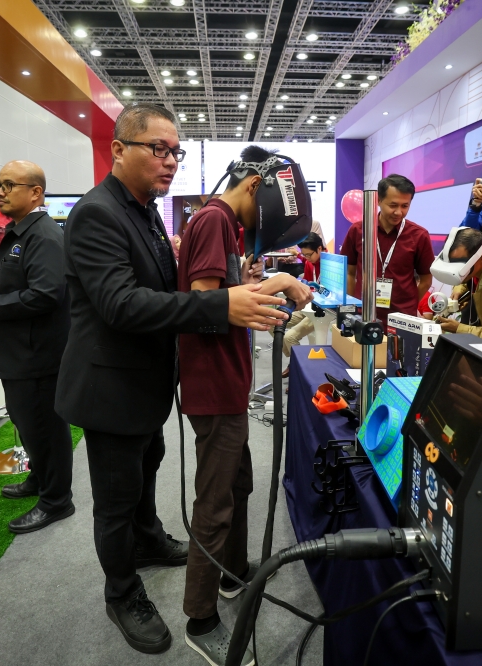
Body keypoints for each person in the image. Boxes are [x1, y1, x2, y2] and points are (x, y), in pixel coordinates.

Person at [54, 104, 290, 656]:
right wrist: (219, 304)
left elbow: (167, 289)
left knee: (146, 475)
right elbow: (120, 304)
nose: (170, 161)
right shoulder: (97, 213)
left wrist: (228, 287)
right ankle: (122, 592)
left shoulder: (143, 211)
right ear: (119, 150)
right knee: (115, 500)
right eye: (157, 149)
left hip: (146, 383)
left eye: (175, 152)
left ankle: (149, 541)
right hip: (109, 390)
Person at [177, 145, 312, 665]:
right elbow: (204, 304)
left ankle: (231, 575)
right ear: (256, 187)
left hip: (227, 382)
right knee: (214, 503)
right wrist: (275, 284)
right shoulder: (214, 219)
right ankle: (200, 619)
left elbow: (226, 296)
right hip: (214, 385)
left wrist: (257, 286)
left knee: (238, 485)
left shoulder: (224, 224)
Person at [0, 161, 73, 534]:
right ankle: (40, 479)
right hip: (18, 352)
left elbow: (45, 295)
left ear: (36, 193)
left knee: (44, 427)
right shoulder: (19, 233)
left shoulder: (43, 236)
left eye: (9, 185)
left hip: (37, 354)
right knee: (27, 423)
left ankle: (57, 500)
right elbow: (21, 284)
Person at [340, 175, 435, 321]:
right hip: (363, 314)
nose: (398, 212)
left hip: (401, 319)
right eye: (393, 205)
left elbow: (426, 280)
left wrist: (408, 305)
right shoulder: (359, 230)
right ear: (378, 200)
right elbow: (349, 273)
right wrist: (351, 306)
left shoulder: (419, 235)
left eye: (405, 206)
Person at [282, 232, 326, 357]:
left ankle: (299, 364)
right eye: (304, 255)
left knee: (289, 337)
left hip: (322, 310)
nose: (306, 258)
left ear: (319, 248)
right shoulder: (309, 263)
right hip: (308, 305)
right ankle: (293, 360)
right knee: (273, 323)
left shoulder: (330, 264)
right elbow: (306, 285)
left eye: (309, 254)